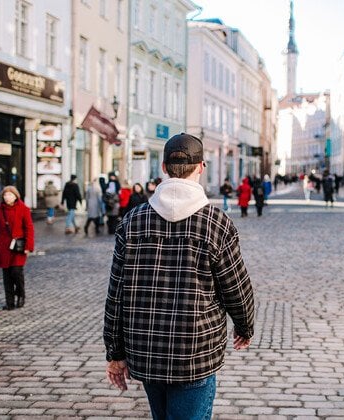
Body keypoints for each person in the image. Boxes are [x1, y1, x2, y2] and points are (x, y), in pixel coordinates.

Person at [103, 133, 255, 420]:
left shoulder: (133, 221)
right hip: (195, 350)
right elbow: (235, 285)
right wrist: (245, 325)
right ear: (201, 167)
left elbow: (116, 293)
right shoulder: (215, 222)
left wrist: (115, 352)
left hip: (146, 348)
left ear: (163, 168)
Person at [0, 186, 34, 310]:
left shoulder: (23, 209)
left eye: (10, 195)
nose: (7, 197)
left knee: (16, 272)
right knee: (7, 276)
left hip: (18, 247)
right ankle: (9, 302)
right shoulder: (0, 210)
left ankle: (21, 294)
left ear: (15, 196)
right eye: (5, 195)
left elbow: (29, 229)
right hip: (3, 248)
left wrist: (28, 246)